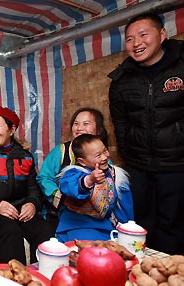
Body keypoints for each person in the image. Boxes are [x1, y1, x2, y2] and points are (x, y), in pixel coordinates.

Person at [108, 13, 184, 255]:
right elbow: (119, 122)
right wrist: (128, 155)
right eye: (129, 39)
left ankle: (169, 277)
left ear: (162, 35)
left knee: (174, 224)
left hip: (177, 164)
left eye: (143, 35)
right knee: (139, 223)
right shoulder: (121, 80)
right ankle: (143, 273)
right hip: (138, 165)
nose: (136, 43)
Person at [0, 107, 55, 265]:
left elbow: (33, 188)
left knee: (44, 230)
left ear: (11, 130)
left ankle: (42, 278)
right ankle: (15, 280)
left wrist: (32, 203)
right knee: (10, 232)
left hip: (20, 210)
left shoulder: (25, 156)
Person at [36, 108, 109, 227]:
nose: (79, 128)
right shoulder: (61, 152)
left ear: (99, 130)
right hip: (60, 214)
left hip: (95, 218)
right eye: (76, 124)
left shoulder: (103, 157)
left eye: (86, 124)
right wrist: (61, 200)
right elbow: (44, 178)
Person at [57, 134, 134, 242]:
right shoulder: (73, 174)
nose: (104, 157)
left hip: (107, 228)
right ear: (82, 161)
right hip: (78, 227)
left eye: (105, 151)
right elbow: (69, 187)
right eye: (98, 155)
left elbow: (125, 208)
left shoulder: (114, 175)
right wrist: (89, 180)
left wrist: (127, 231)